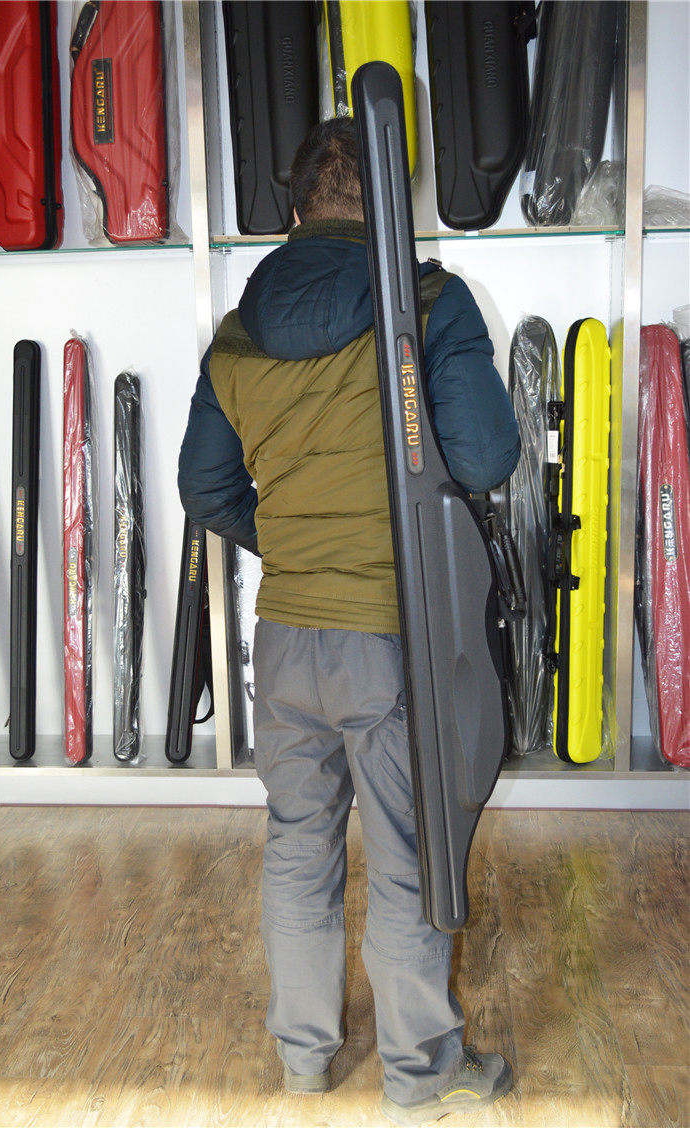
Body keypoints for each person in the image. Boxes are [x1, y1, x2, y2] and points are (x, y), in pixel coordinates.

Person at [178, 118, 520, 1126]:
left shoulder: (237, 332)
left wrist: (290, 541)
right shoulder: (427, 303)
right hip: (391, 633)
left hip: (285, 637)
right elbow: (487, 456)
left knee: (298, 842)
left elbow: (205, 488)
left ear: (295, 212)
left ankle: (303, 1060)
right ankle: (420, 1076)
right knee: (410, 853)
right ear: (390, 207)